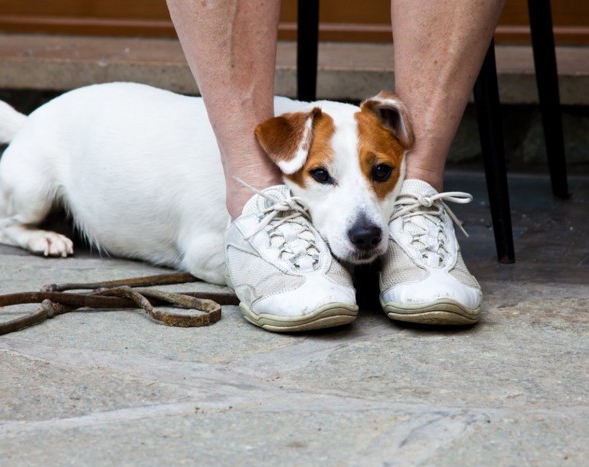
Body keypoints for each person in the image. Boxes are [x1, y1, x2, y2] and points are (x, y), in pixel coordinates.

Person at [165, 0, 505, 331]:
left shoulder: (361, 130)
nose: (365, 227)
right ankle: (256, 216)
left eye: (381, 173)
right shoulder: (287, 135)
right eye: (322, 175)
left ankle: (419, 196)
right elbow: (203, 255)